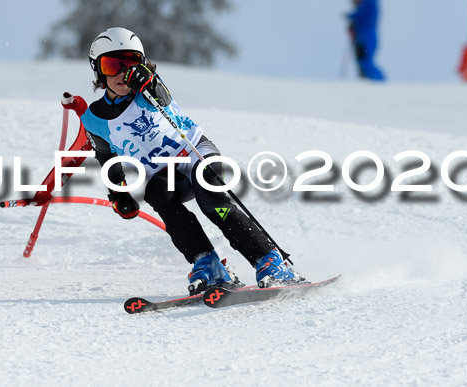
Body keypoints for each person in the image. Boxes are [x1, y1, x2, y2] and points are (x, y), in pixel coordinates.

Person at [80, 27, 301, 294]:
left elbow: (161, 95)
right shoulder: (94, 118)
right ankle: (208, 263)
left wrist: (148, 79)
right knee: (159, 196)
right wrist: (118, 193)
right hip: (164, 174)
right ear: (98, 70)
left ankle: (270, 260)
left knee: (211, 198)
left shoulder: (148, 89)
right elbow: (106, 158)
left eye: (131, 62)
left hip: (195, 152)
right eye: (112, 64)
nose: (123, 72)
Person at [346, 0, 386, 81]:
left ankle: (380, 81)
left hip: (367, 37)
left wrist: (351, 16)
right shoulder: (370, 0)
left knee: (366, 61)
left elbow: (361, 14)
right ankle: (369, 80)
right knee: (363, 61)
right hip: (363, 37)